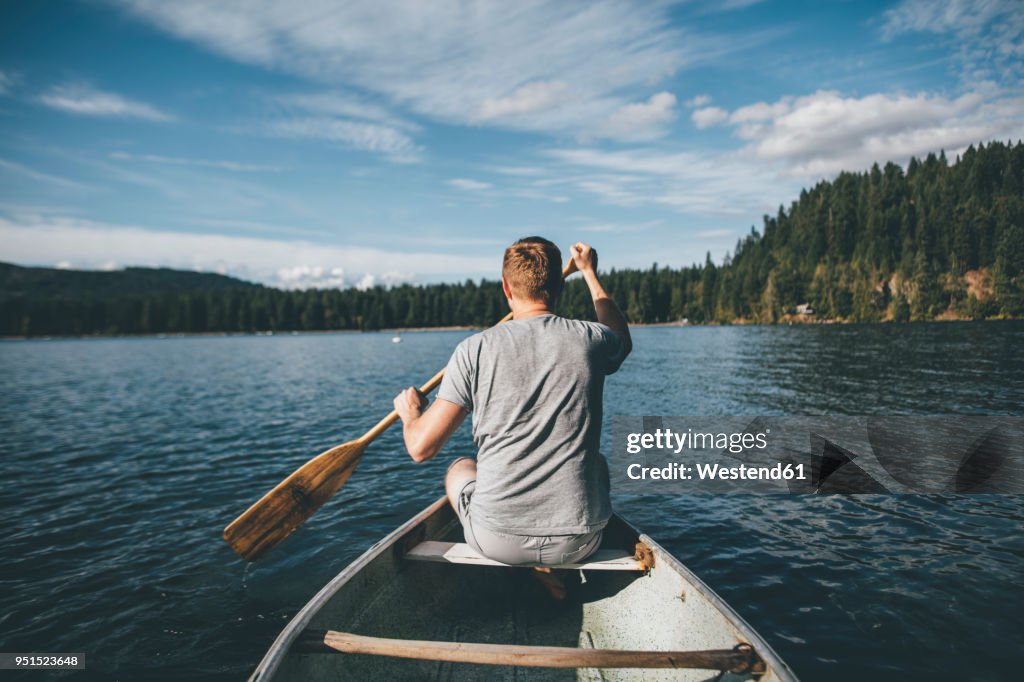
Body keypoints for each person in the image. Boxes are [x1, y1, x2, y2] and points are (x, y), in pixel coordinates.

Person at [392, 237, 631, 588]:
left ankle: (533, 567)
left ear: (506, 287)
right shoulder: (591, 340)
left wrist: (411, 415)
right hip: (578, 542)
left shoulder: (473, 350)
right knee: (596, 463)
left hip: (496, 540)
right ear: (558, 289)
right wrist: (591, 274)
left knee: (460, 468)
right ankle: (551, 567)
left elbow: (421, 448)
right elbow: (621, 337)